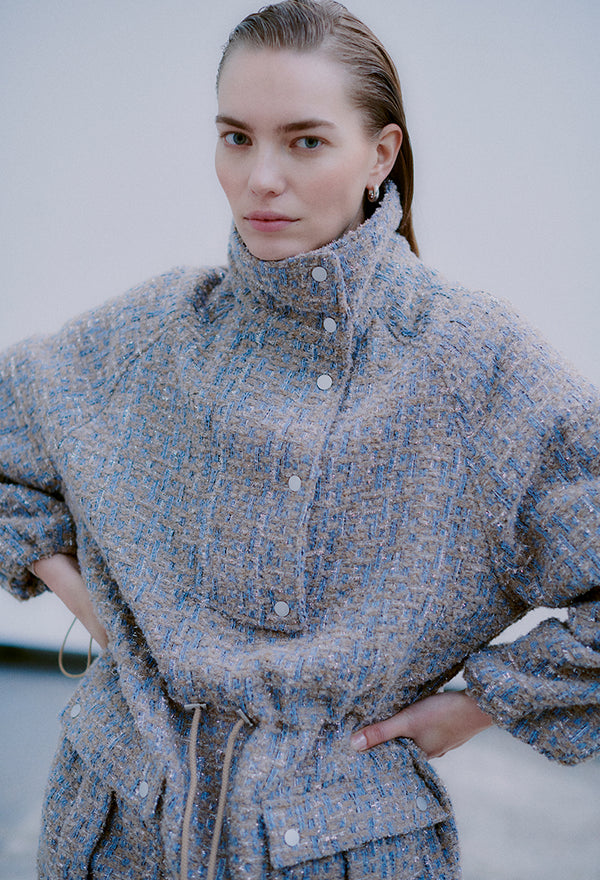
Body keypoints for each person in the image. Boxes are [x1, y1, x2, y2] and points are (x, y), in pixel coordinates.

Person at [1, 0, 598, 877]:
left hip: (338, 846)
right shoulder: (158, 331)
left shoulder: (472, 365)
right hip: (112, 819)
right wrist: (98, 608)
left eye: (306, 141)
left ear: (380, 155)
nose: (261, 179)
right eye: (236, 138)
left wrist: (481, 705)